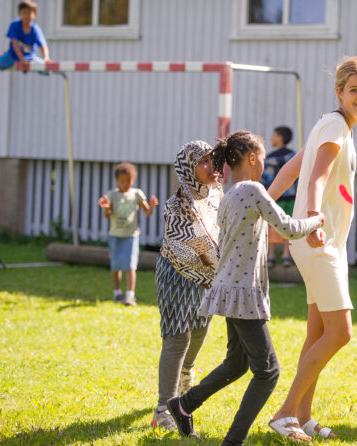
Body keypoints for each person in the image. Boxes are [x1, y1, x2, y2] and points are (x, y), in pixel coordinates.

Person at [166, 130, 324, 445]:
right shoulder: (253, 190)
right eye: (263, 158)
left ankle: (183, 405)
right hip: (242, 294)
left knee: (237, 363)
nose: (264, 164)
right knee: (268, 372)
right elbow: (289, 228)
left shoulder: (230, 194)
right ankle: (233, 440)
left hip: (226, 290)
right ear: (252, 157)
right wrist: (316, 220)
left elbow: (258, 234)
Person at [266, 56, 357, 441]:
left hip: (319, 242)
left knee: (317, 331)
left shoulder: (329, 125)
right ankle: (285, 413)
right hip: (319, 243)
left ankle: (302, 415)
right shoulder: (334, 126)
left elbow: (290, 170)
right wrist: (314, 218)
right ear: (339, 91)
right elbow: (314, 178)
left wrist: (262, 206)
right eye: (354, 90)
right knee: (340, 332)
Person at [151, 141, 222, 430]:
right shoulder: (177, 203)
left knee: (201, 329)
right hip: (177, 276)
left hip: (208, 278)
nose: (211, 166)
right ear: (188, 169)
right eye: (203, 162)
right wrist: (222, 261)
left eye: (212, 160)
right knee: (178, 337)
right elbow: (186, 250)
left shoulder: (217, 195)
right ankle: (163, 408)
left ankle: (184, 381)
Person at [97, 162, 158, 306]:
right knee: (116, 265)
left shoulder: (136, 194)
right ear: (116, 180)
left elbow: (147, 212)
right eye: (122, 181)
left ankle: (130, 295)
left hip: (131, 235)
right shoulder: (111, 195)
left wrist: (152, 206)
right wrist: (106, 208)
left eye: (129, 181)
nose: (126, 184)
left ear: (133, 179)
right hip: (115, 235)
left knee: (131, 265)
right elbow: (108, 215)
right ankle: (117, 293)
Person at [260, 126, 297, 267]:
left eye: (274, 135)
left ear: (280, 137)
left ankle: (274, 256)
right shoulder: (293, 156)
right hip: (287, 196)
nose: (271, 138)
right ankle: (282, 256)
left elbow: (264, 178)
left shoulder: (269, 158)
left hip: (277, 197)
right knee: (285, 224)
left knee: (275, 224)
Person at [0, 1, 51, 73]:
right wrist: (22, 59)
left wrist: (46, 57)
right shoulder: (15, 25)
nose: (27, 16)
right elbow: (15, 44)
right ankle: (5, 57)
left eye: (29, 13)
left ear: (34, 14)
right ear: (20, 14)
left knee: (47, 71)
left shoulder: (35, 29)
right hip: (13, 56)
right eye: (24, 13)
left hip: (30, 58)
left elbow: (43, 45)